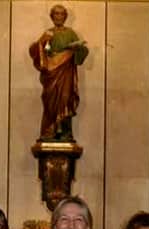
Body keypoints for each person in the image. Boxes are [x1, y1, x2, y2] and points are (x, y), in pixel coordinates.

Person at [28, 4, 88, 141]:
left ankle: (66, 132)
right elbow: (38, 51)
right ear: (52, 16)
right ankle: (49, 131)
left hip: (66, 74)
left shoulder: (70, 33)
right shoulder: (48, 33)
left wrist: (79, 48)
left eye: (62, 14)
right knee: (50, 102)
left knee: (65, 99)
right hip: (51, 74)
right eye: (56, 14)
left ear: (65, 17)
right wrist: (42, 43)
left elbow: (81, 53)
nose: (59, 17)